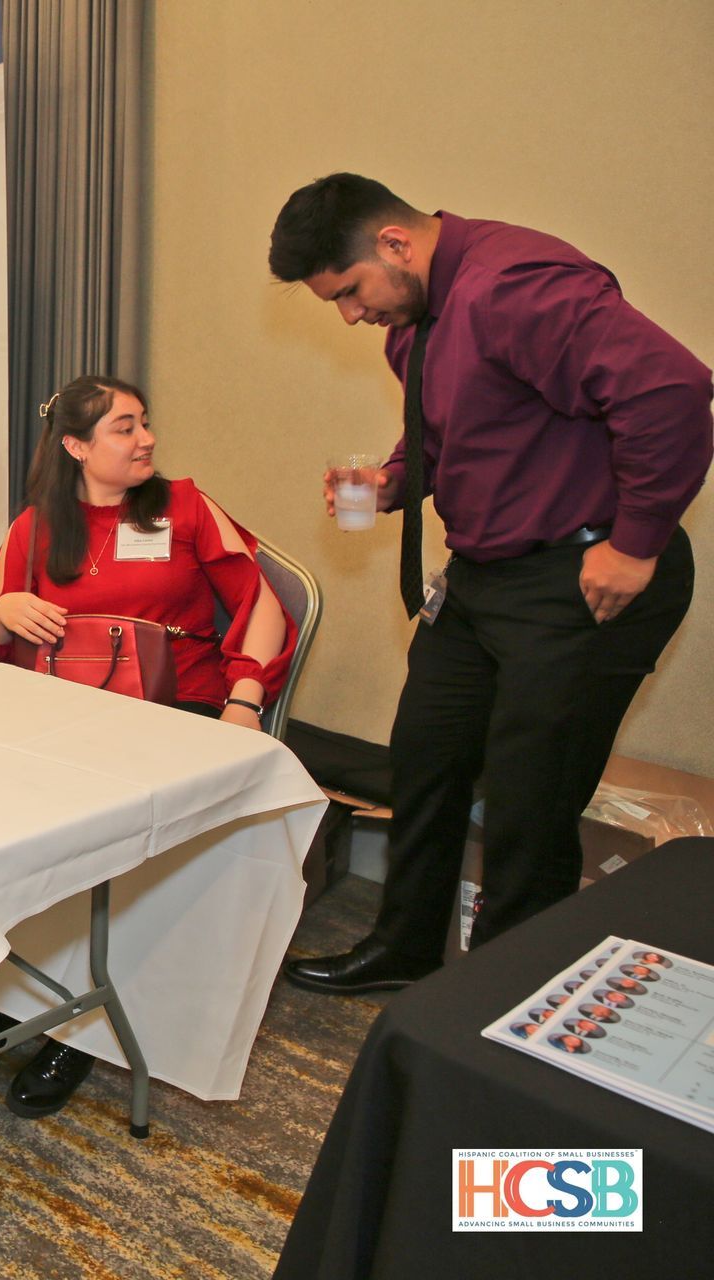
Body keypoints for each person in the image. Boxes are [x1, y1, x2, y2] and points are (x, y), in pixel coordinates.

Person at [270, 174, 709, 995]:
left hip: (579, 579)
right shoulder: (418, 318)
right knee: (425, 758)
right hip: (483, 580)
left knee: (527, 806)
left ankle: (498, 996)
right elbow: (451, 428)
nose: (351, 316)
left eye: (352, 291)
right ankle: (404, 950)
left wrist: (637, 542)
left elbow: (673, 389)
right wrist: (400, 479)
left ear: (395, 243)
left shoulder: (514, 287)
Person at [0, 374, 294, 1119]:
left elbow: (261, 603)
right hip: (66, 710)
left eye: (144, 423)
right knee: (7, 822)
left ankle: (77, 1028)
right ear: (76, 446)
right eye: (123, 428)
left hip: (179, 704)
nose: (145, 439)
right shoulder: (34, 529)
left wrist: (245, 700)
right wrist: (6, 611)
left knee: (107, 840)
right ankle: (14, 990)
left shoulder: (184, 505)